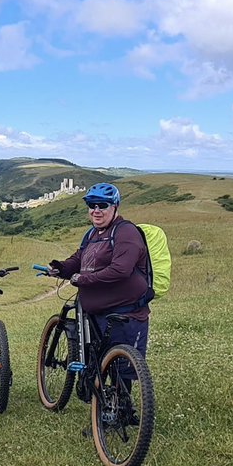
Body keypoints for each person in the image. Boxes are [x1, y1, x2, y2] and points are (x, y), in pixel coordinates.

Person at [47, 183, 150, 432]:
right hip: (95, 312)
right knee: (100, 362)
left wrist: (83, 279)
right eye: (91, 205)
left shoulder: (126, 232)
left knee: (121, 366)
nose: (96, 210)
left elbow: (120, 270)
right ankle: (108, 409)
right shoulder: (92, 234)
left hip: (124, 311)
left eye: (102, 205)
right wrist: (62, 268)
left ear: (115, 207)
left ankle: (120, 412)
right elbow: (79, 259)